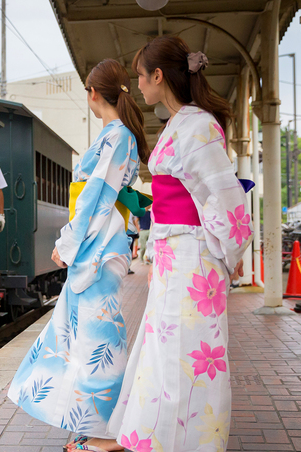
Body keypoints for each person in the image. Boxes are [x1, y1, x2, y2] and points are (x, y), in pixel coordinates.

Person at [80, 36, 251, 452]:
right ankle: (145, 436)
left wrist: (231, 255)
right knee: (164, 350)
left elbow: (222, 196)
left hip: (194, 258)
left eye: (140, 75)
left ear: (159, 76)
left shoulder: (197, 125)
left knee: (187, 354)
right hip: (179, 256)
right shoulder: (186, 122)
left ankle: (183, 442)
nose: (136, 84)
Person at [8, 59, 148, 449]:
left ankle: (110, 436)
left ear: (92, 92)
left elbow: (96, 195)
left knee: (99, 338)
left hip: (99, 246)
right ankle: (100, 427)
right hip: (101, 244)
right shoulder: (117, 135)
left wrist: (67, 242)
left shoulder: (117, 136)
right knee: (91, 336)